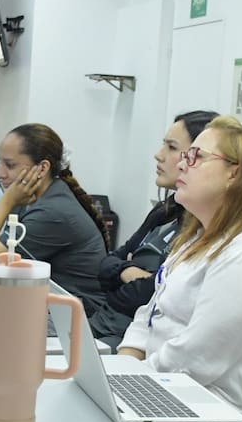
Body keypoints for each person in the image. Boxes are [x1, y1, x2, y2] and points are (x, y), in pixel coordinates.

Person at [119, 117, 242, 422]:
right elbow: (150, 315)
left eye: (196, 156)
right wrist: (124, 366)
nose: (182, 165)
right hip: (165, 392)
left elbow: (196, 361)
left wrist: (129, 383)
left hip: (216, 414)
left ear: (235, 172)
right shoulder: (199, 236)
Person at [0, 123, 107, 314]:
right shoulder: (31, 198)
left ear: (42, 168)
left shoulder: (51, 213)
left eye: (10, 165)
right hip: (50, 306)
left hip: (75, 318)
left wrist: (6, 201)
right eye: (0, 163)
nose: (0, 173)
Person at [87, 110, 217, 347]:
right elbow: (105, 265)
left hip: (127, 337)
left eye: (171, 147)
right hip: (102, 324)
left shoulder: (204, 227)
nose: (158, 155)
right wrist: (128, 271)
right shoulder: (165, 211)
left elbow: (152, 295)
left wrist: (126, 276)